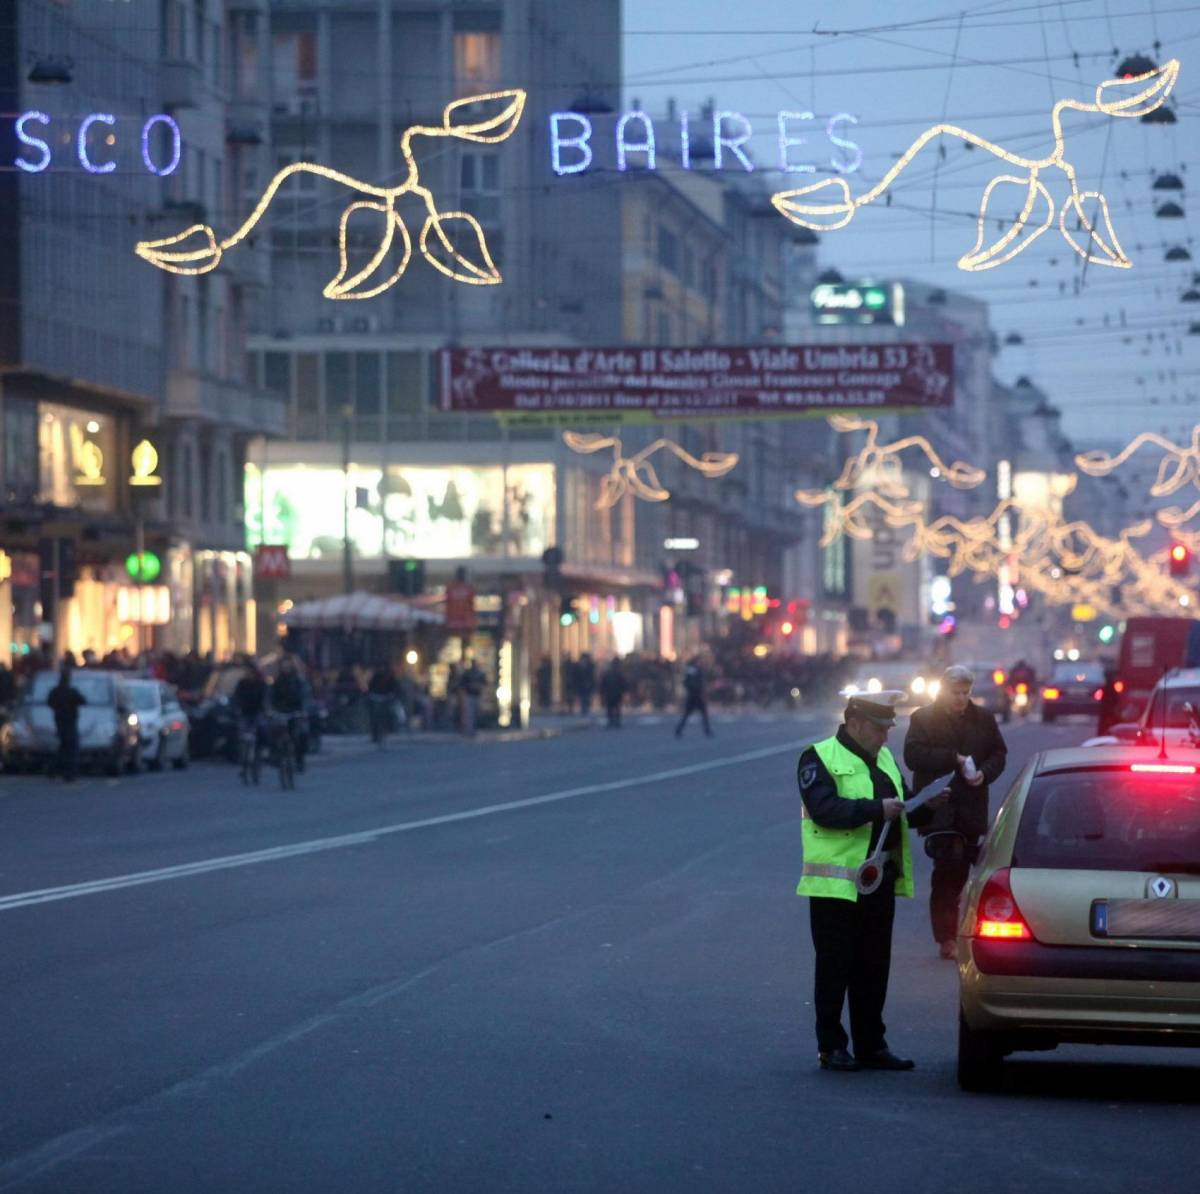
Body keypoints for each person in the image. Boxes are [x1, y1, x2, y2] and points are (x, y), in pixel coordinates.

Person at [796, 691, 944, 1072]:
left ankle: (871, 1044)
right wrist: (875, 809)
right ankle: (831, 1046)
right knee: (835, 967)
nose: (885, 737)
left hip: (877, 879)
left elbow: (905, 806)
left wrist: (927, 805)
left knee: (874, 966)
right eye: (880, 729)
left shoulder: (884, 761)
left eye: (889, 729)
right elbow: (824, 810)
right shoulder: (819, 757)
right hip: (838, 886)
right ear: (856, 723)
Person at [904, 664, 1008, 960]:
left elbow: (998, 754)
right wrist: (953, 759)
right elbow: (913, 756)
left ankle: (961, 928)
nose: (960, 698)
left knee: (963, 870)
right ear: (943, 691)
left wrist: (984, 774)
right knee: (946, 867)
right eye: (955, 693)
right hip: (938, 807)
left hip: (971, 805)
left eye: (965, 693)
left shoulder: (983, 719)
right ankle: (946, 936)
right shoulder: (923, 718)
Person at [47, 667, 86, 782]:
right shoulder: (71, 692)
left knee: (64, 747)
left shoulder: (56, 691)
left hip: (60, 721)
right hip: (69, 722)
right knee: (71, 748)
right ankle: (68, 773)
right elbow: (83, 701)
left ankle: (54, 769)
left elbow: (49, 702)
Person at [270, 656, 308, 771]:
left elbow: (303, 696)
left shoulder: (297, 681)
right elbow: (271, 697)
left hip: (295, 712)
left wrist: (302, 711)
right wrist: (271, 710)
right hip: (280, 712)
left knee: (300, 736)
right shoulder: (277, 681)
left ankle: (299, 760)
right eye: (284, 666)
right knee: (274, 734)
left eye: (288, 666)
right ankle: (275, 757)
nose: (286, 668)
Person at [674, 656, 712, 738]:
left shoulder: (693, 670)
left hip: (694, 695)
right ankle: (707, 730)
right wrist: (697, 688)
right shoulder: (693, 670)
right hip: (695, 695)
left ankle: (679, 730)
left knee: (693, 714)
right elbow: (688, 682)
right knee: (699, 714)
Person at [367, 663, 400, 745]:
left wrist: (391, 695)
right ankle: (376, 735)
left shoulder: (390, 677)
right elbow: (371, 687)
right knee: (376, 717)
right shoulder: (377, 676)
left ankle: (386, 731)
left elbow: (394, 687)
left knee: (386, 715)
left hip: (385, 698)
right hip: (377, 697)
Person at [458, 657, 486, 737]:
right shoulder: (467, 673)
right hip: (469, 696)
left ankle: (473, 730)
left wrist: (479, 687)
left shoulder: (480, 673)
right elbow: (462, 684)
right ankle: (469, 731)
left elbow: (484, 683)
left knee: (475, 714)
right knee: (469, 715)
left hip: (477, 695)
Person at [600, 657, 628, 728]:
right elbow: (624, 683)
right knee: (615, 707)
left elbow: (603, 683)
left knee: (611, 708)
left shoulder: (610, 673)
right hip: (615, 693)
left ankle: (612, 721)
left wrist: (602, 692)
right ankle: (615, 721)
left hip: (611, 693)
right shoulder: (619, 673)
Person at [576, 652, 596, 716]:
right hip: (581, 685)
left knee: (587, 697)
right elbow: (576, 676)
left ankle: (586, 708)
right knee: (583, 697)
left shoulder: (591, 665)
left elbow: (592, 676)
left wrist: (591, 683)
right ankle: (583, 709)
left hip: (588, 685)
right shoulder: (578, 666)